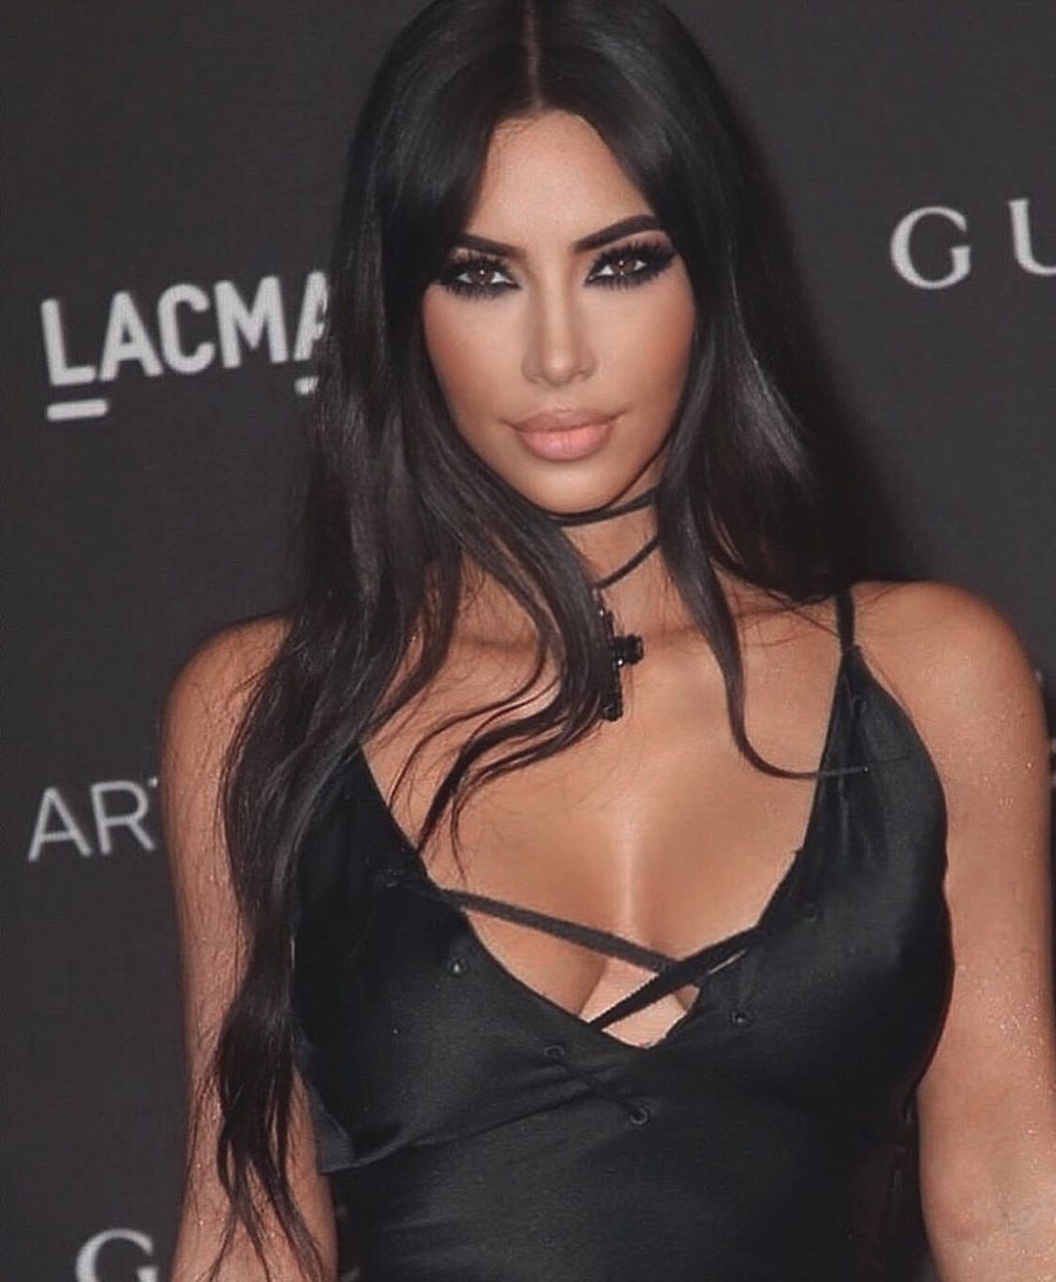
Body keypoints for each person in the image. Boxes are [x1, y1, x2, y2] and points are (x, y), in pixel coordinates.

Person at [159, 1, 1056, 1279]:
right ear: (400, 303)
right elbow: (247, 1228)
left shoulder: (931, 677)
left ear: (711, 270)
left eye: (620, 263)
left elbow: (1013, 1208)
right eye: (483, 275)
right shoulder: (263, 710)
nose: (557, 355)